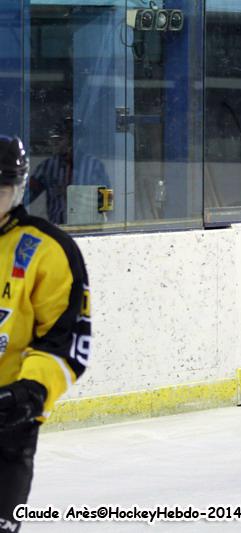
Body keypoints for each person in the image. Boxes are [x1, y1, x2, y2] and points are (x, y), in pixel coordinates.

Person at [0, 136, 91, 530]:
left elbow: (65, 339)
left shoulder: (47, 249)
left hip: (7, 423)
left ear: (18, 188)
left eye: (1, 190)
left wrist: (28, 393)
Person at [28, 117, 111, 225]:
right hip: (57, 230)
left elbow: (107, 202)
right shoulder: (47, 167)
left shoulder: (94, 166)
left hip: (87, 231)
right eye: (53, 139)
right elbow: (25, 196)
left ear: (72, 140)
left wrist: (76, 197)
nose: (54, 142)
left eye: (59, 138)